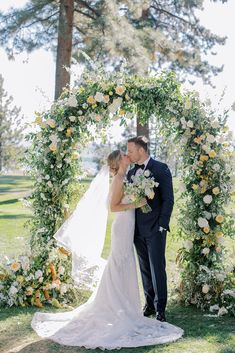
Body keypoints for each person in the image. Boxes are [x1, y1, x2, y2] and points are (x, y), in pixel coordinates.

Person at [31, 150, 183, 349]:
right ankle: (116, 305)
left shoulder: (126, 176)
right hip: (122, 226)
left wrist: (138, 199)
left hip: (129, 225)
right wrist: (137, 202)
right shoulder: (119, 178)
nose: (128, 155)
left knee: (124, 262)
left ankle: (124, 306)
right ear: (119, 161)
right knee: (120, 262)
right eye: (124, 154)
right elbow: (114, 207)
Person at [127, 136, 174, 322]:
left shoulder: (161, 168)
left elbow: (168, 200)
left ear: (141, 150)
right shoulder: (131, 174)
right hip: (137, 230)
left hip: (156, 228)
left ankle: (160, 308)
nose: (128, 154)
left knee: (157, 268)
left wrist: (162, 225)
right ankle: (149, 304)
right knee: (145, 268)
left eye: (131, 150)